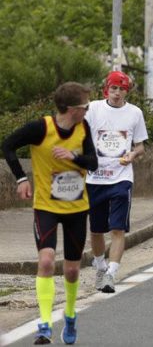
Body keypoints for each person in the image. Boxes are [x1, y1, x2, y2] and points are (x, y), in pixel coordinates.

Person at [2, 82, 98, 345]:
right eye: (85, 106)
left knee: (72, 270)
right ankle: (44, 324)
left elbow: (93, 162)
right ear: (71, 108)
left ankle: (70, 314)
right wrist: (21, 178)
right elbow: (8, 145)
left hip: (77, 208)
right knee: (45, 261)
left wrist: (73, 157)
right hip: (46, 207)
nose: (87, 110)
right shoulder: (41, 128)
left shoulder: (83, 128)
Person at [86, 71, 149, 294]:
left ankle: (111, 274)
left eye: (122, 89)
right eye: (114, 88)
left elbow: (140, 146)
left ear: (126, 92)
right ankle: (100, 266)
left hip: (121, 178)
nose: (117, 93)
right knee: (96, 230)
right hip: (95, 177)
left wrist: (133, 154)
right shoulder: (93, 109)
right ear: (106, 89)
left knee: (118, 228)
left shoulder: (134, 113)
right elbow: (78, 135)